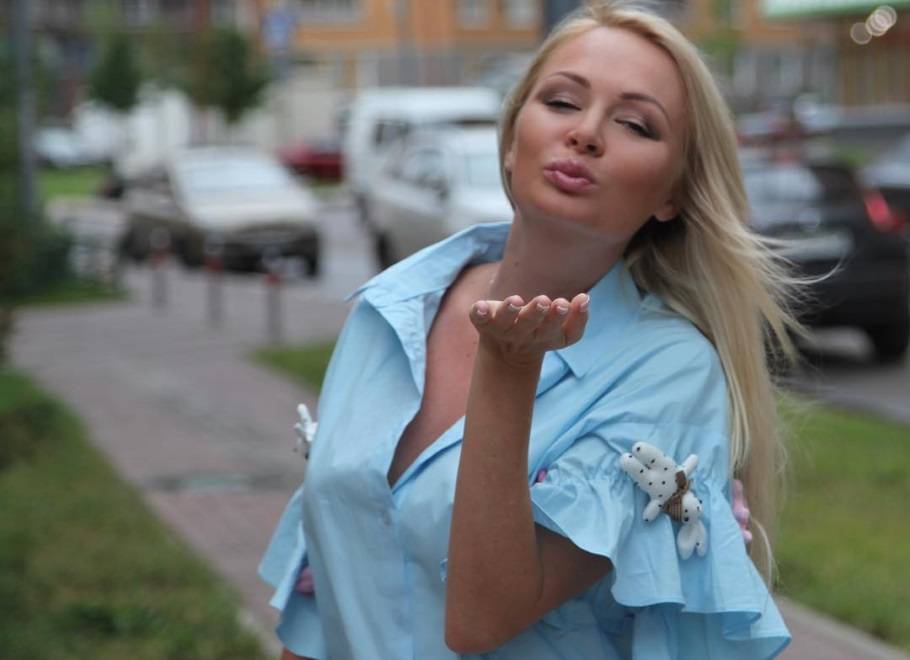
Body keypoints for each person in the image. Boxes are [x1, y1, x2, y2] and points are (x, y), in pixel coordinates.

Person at [259, 2, 800, 658]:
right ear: (513, 139)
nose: (586, 133)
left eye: (635, 124)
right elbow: (323, 583)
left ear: (672, 194)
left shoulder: (670, 371)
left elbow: (482, 620)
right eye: (562, 101)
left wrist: (508, 369)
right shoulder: (397, 305)